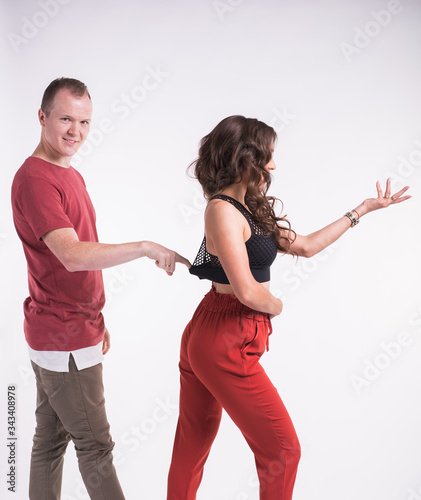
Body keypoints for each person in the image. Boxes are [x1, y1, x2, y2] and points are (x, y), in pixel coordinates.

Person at [166, 115, 411, 499]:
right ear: (244, 157)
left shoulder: (248, 207)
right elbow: (247, 291)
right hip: (224, 337)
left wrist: (360, 210)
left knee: (194, 439)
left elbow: (307, 245)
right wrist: (275, 305)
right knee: (283, 451)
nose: (274, 166)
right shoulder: (222, 211)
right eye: (268, 156)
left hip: (214, 330)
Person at [11, 77, 190, 500]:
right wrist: (146, 247)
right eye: (66, 119)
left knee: (49, 442)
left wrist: (95, 314)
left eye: (85, 122)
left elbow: (72, 263)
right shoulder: (37, 180)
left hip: (66, 328)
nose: (76, 131)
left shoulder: (64, 172)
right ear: (42, 117)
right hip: (64, 338)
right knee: (95, 447)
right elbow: (71, 255)